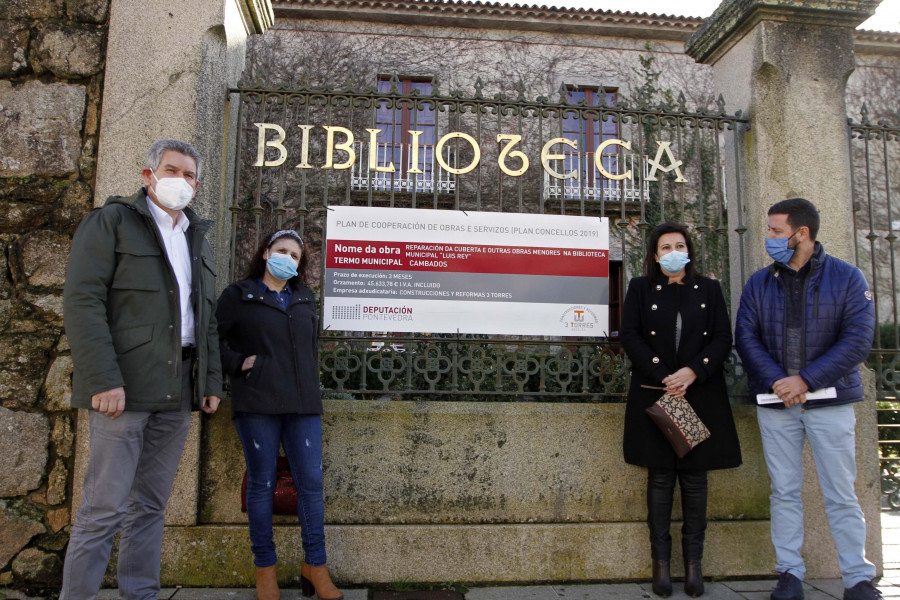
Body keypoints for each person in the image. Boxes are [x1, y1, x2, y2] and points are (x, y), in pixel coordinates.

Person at [61, 139, 223, 600]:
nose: (182, 181)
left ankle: (142, 594)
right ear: (148, 174)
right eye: (173, 170)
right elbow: (83, 302)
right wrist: (102, 378)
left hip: (178, 388)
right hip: (123, 387)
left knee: (150, 505)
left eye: (190, 175)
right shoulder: (110, 222)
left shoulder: (197, 237)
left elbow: (203, 317)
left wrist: (209, 381)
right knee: (103, 508)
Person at [735, 198, 879, 600]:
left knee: (840, 492)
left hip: (830, 402)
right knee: (784, 490)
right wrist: (780, 382)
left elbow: (857, 342)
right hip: (776, 403)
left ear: (802, 233)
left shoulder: (848, 278)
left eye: (776, 231)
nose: (769, 238)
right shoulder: (759, 282)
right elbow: (746, 337)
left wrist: (805, 380)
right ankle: (789, 574)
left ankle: (857, 578)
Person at [216, 229, 342, 600]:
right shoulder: (239, 295)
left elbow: (311, 348)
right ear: (267, 252)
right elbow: (213, 339)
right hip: (257, 402)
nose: (288, 257)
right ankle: (265, 571)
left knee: (311, 485)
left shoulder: (304, 298)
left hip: (302, 405)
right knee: (261, 485)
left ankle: (315, 566)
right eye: (282, 250)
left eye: (296, 255)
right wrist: (239, 363)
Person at [621, 222, 742, 598]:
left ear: (688, 250)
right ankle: (660, 566)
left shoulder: (709, 288)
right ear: (655, 256)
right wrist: (663, 375)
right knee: (659, 477)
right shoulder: (640, 288)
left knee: (694, 479)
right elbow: (630, 335)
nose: (673, 251)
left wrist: (693, 371)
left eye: (679, 245)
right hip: (656, 394)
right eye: (665, 247)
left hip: (699, 393)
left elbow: (723, 336)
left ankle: (693, 566)